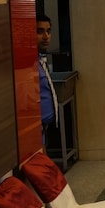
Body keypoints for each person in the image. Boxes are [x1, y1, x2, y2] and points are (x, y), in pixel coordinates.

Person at [37, 13, 59, 148]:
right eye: (40, 32)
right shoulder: (30, 66)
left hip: (45, 128)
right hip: (35, 129)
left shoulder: (41, 60)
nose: (46, 37)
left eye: (48, 31)